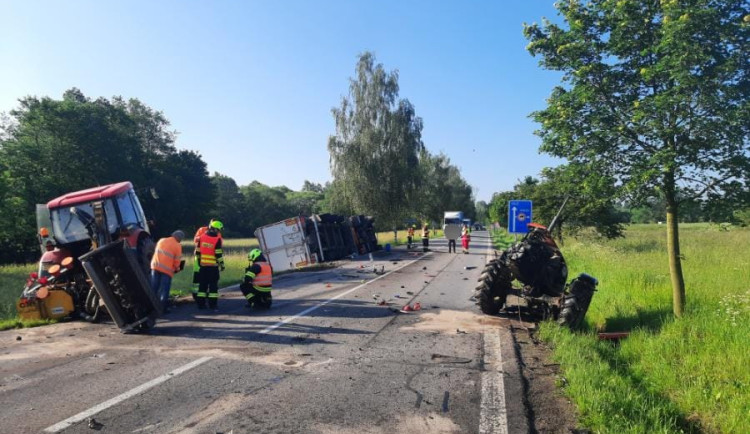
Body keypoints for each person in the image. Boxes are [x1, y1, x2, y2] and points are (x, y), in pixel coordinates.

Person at [150, 230, 185, 312]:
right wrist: (177, 269)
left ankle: (150, 307)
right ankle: (162, 308)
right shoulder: (177, 245)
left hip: (155, 267)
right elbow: (177, 262)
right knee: (164, 290)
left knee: (153, 288)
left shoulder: (162, 240)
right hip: (166, 271)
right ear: (179, 238)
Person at [190, 219, 223, 300]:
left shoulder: (218, 234)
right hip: (200, 258)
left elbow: (219, 244)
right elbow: (196, 240)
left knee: (207, 281)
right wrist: (205, 238)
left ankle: (203, 296)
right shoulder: (202, 230)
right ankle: (195, 294)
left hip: (210, 260)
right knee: (197, 278)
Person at [196, 220, 224, 310]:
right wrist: (222, 265)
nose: (219, 232)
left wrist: (199, 263)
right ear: (215, 229)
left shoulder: (202, 237)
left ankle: (201, 304)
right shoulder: (217, 239)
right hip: (213, 268)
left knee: (202, 286)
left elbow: (198, 252)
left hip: (203, 267)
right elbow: (218, 254)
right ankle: (212, 305)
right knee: (213, 287)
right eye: (219, 230)